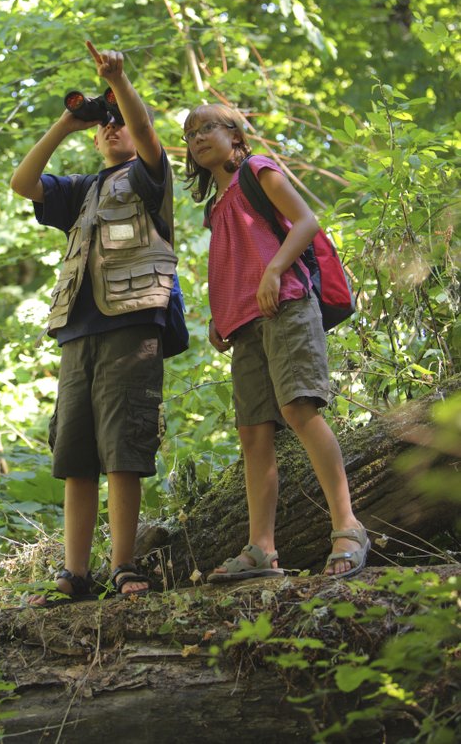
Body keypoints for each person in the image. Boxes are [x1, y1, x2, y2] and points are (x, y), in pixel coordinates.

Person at [10, 41, 178, 602]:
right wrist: (68, 121)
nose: (112, 129)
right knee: (75, 453)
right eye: (103, 125)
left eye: (118, 124)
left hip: (132, 328)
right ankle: (74, 575)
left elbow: (148, 135)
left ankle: (124, 567)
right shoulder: (82, 190)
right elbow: (22, 181)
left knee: (123, 448)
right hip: (78, 333)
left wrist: (119, 86)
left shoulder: (151, 177)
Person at [182, 102, 369, 581]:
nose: (198, 137)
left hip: (286, 305)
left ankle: (348, 527)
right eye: (190, 133)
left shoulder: (257, 171)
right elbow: (230, 265)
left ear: (235, 136)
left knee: (299, 410)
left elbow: (306, 221)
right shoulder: (215, 208)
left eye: (207, 127)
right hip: (245, 326)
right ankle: (261, 549)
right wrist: (220, 318)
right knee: (253, 434)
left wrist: (275, 269)